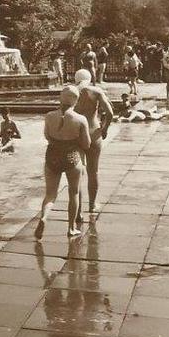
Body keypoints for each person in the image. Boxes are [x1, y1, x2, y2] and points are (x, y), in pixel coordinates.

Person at [34, 85, 91, 239]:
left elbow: (47, 136)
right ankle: (71, 228)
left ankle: (44, 218)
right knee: (73, 192)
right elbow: (87, 144)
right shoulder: (80, 119)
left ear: (60, 98)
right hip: (71, 156)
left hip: (52, 155)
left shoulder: (49, 116)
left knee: (50, 194)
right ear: (76, 101)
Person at [73, 69, 114, 220]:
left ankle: (77, 212)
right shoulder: (96, 91)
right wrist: (105, 129)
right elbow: (109, 113)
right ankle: (92, 205)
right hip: (93, 131)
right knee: (93, 171)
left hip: (77, 134)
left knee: (77, 174)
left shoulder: (71, 92)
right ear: (89, 78)